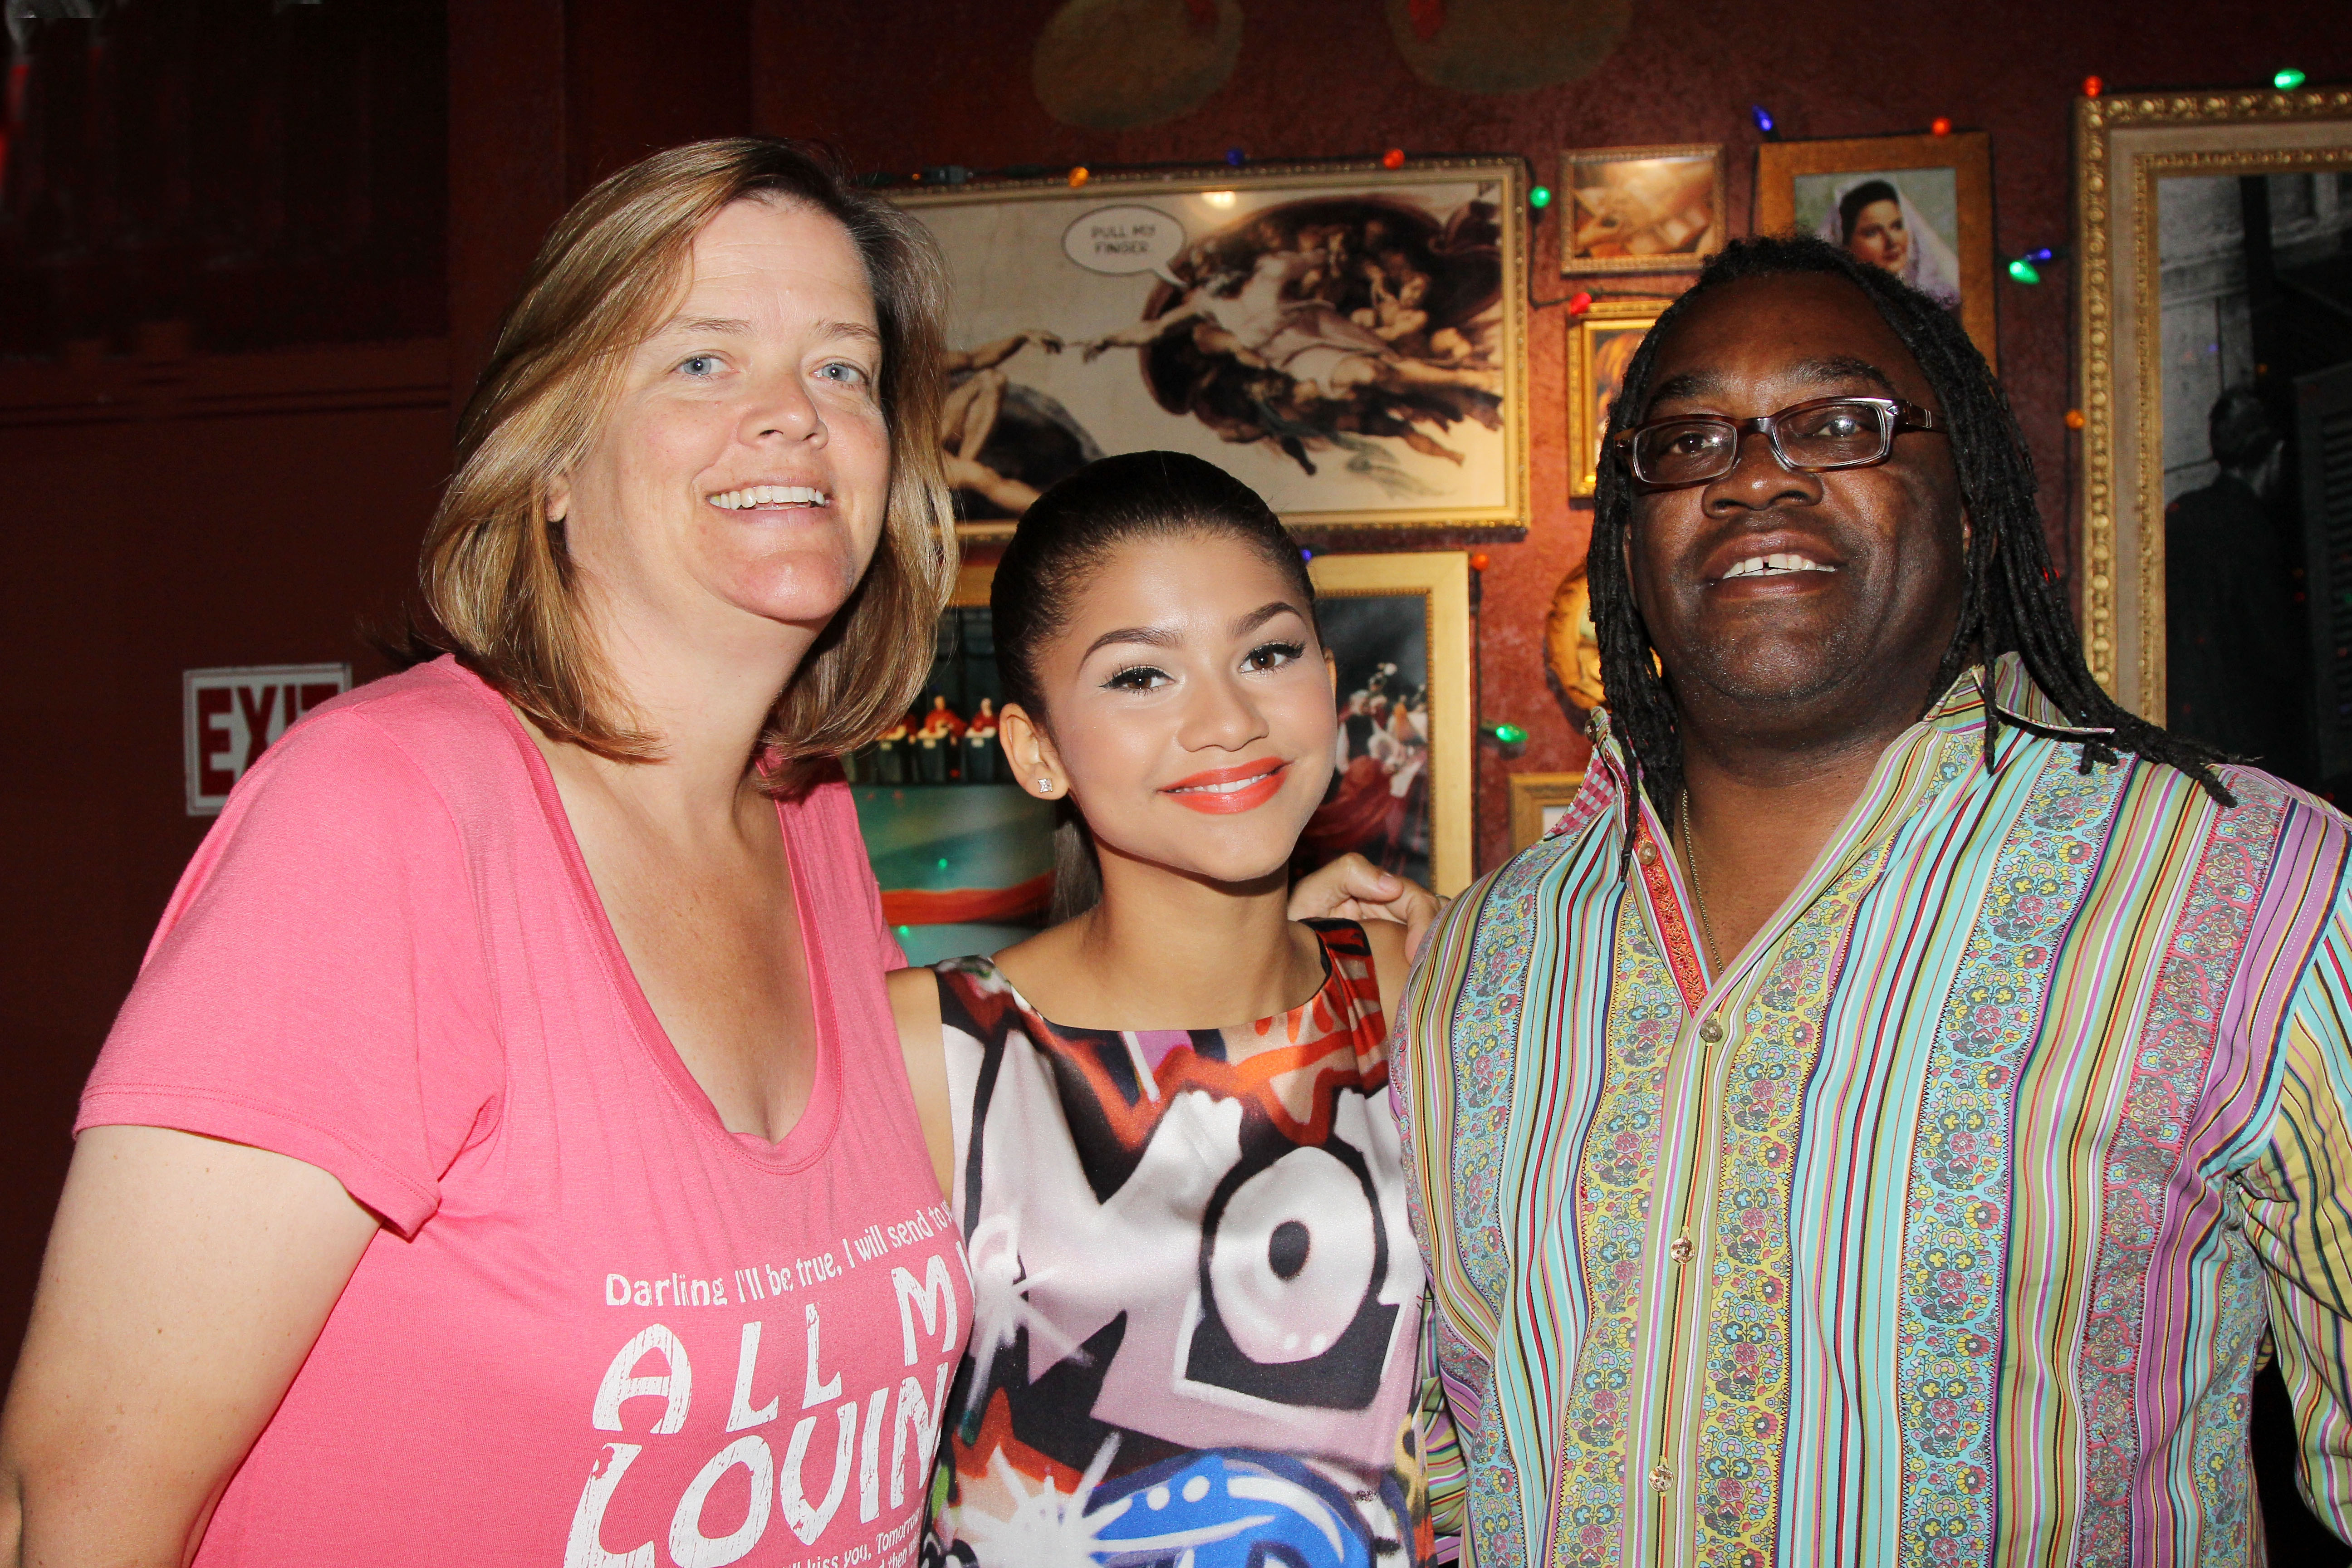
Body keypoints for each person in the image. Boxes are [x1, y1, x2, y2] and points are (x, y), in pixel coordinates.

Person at [0, 139, 1432, 1567]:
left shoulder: (806, 828)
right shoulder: (389, 812)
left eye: (842, 371)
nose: (792, 421)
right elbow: (77, 1505)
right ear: (549, 460)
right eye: (702, 363)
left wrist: (1254, 915)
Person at [1396, 233, 2352, 1566]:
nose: (1754, 475)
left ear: (1971, 506)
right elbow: (1441, 1475)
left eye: (1839, 424)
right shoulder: (1477, 957)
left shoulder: (2252, 893)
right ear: (1631, 534)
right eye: (1690, 443)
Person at [887, 452, 1462, 1567]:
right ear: (1036, 748)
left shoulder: (1415, 994)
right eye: (1142, 676)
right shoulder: (933, 1048)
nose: (1228, 718)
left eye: (1267, 652)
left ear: (1330, 683)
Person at [2167, 386, 2301, 767]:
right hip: (2238, 741)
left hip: (2180, 729)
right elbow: (2275, 653)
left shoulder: (2181, 515)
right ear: (2276, 455)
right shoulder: (2254, 531)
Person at [1820, 176, 1962, 310]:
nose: (1891, 241)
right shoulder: (1837, 308)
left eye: (1897, 226)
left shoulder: (1939, 302)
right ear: (1845, 246)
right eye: (1872, 233)